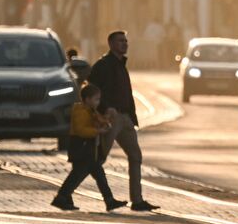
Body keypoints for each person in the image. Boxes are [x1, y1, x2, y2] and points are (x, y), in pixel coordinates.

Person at [90, 30, 159, 212]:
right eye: (121, 41)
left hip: (126, 118)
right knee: (98, 158)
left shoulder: (121, 65)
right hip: (110, 118)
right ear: (111, 43)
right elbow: (91, 90)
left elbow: (126, 93)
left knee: (135, 156)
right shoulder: (103, 65)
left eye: (126, 41)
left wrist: (131, 115)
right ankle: (68, 192)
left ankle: (137, 200)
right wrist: (104, 109)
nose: (125, 44)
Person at [52, 82, 127, 212]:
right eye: (96, 99)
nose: (98, 102)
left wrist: (106, 120)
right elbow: (81, 130)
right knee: (76, 176)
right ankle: (62, 197)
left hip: (89, 150)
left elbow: (100, 122)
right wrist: (97, 131)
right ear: (87, 99)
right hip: (81, 148)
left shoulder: (90, 110)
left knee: (98, 175)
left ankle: (109, 200)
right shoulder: (80, 112)